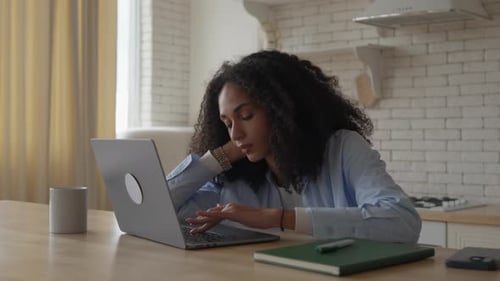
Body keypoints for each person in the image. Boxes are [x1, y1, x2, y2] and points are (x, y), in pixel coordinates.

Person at [166, 50, 421, 243]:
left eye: (245, 117)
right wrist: (221, 155)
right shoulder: (237, 175)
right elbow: (164, 210)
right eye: (227, 123)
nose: (236, 133)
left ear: (282, 110)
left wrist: (277, 218)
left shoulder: (343, 148)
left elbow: (403, 222)